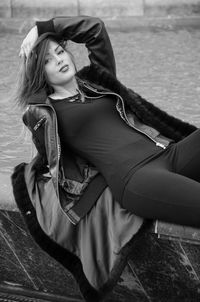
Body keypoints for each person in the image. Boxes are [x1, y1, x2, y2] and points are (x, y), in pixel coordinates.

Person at [11, 15, 199, 298]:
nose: (60, 60)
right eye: (48, 60)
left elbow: (95, 30)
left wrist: (45, 27)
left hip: (168, 153)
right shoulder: (46, 113)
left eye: (60, 51)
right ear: (40, 73)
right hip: (138, 179)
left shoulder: (97, 82)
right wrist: (32, 52)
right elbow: (34, 99)